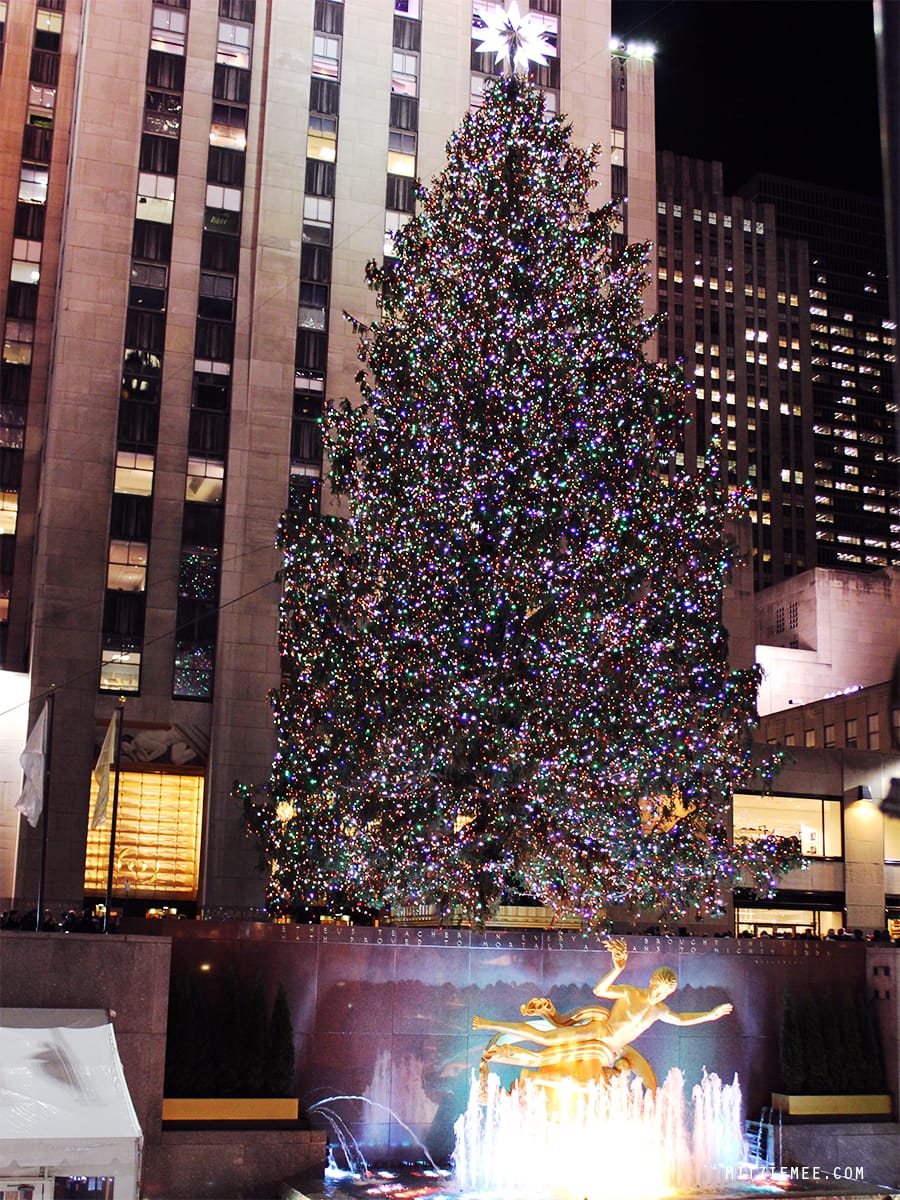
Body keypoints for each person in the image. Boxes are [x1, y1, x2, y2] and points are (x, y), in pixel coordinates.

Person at [472, 938, 732, 1094]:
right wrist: (617, 969)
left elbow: (681, 1019)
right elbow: (600, 990)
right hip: (598, 1033)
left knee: (580, 1078)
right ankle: (489, 1023)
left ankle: (529, 1075)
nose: (663, 995)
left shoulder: (659, 1010)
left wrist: (711, 1015)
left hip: (609, 1050)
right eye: (662, 988)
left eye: (668, 992)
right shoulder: (631, 993)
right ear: (654, 982)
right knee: (547, 1037)